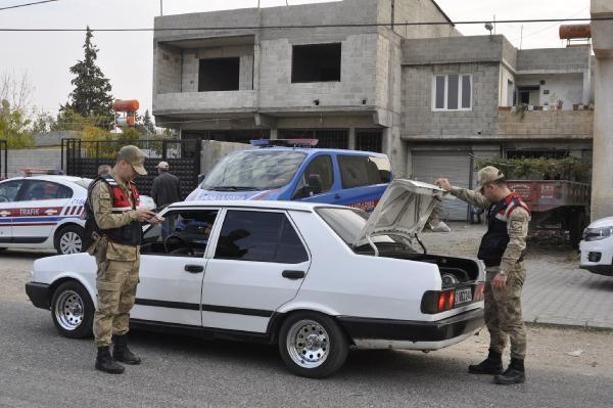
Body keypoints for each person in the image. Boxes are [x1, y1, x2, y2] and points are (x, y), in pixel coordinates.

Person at [435, 166, 530, 385]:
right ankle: (494, 359)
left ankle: (517, 367)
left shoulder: (516, 210)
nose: (483, 194)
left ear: (492, 186)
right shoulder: (496, 202)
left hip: (507, 271)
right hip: (494, 269)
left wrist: (504, 272)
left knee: (512, 320)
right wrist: (451, 189)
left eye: (484, 190)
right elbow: (475, 199)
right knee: (492, 316)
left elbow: (516, 244)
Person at [84, 145, 161, 374]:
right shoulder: (102, 187)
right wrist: (134, 215)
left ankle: (121, 348)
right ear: (123, 163)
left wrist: (146, 218)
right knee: (108, 306)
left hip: (131, 253)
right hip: (113, 254)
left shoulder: (129, 186)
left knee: (125, 304)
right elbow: (105, 221)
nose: (137, 174)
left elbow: (128, 217)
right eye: (134, 169)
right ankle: (102, 355)